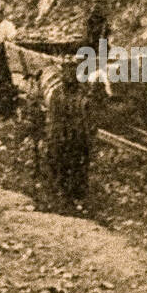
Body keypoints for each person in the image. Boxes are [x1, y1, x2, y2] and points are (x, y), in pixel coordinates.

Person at [40, 56, 95, 206]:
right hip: (62, 133)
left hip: (76, 134)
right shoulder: (58, 94)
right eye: (67, 71)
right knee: (61, 161)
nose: (69, 76)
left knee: (78, 163)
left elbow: (86, 117)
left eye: (73, 71)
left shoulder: (81, 93)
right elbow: (53, 118)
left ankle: (76, 193)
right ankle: (63, 192)